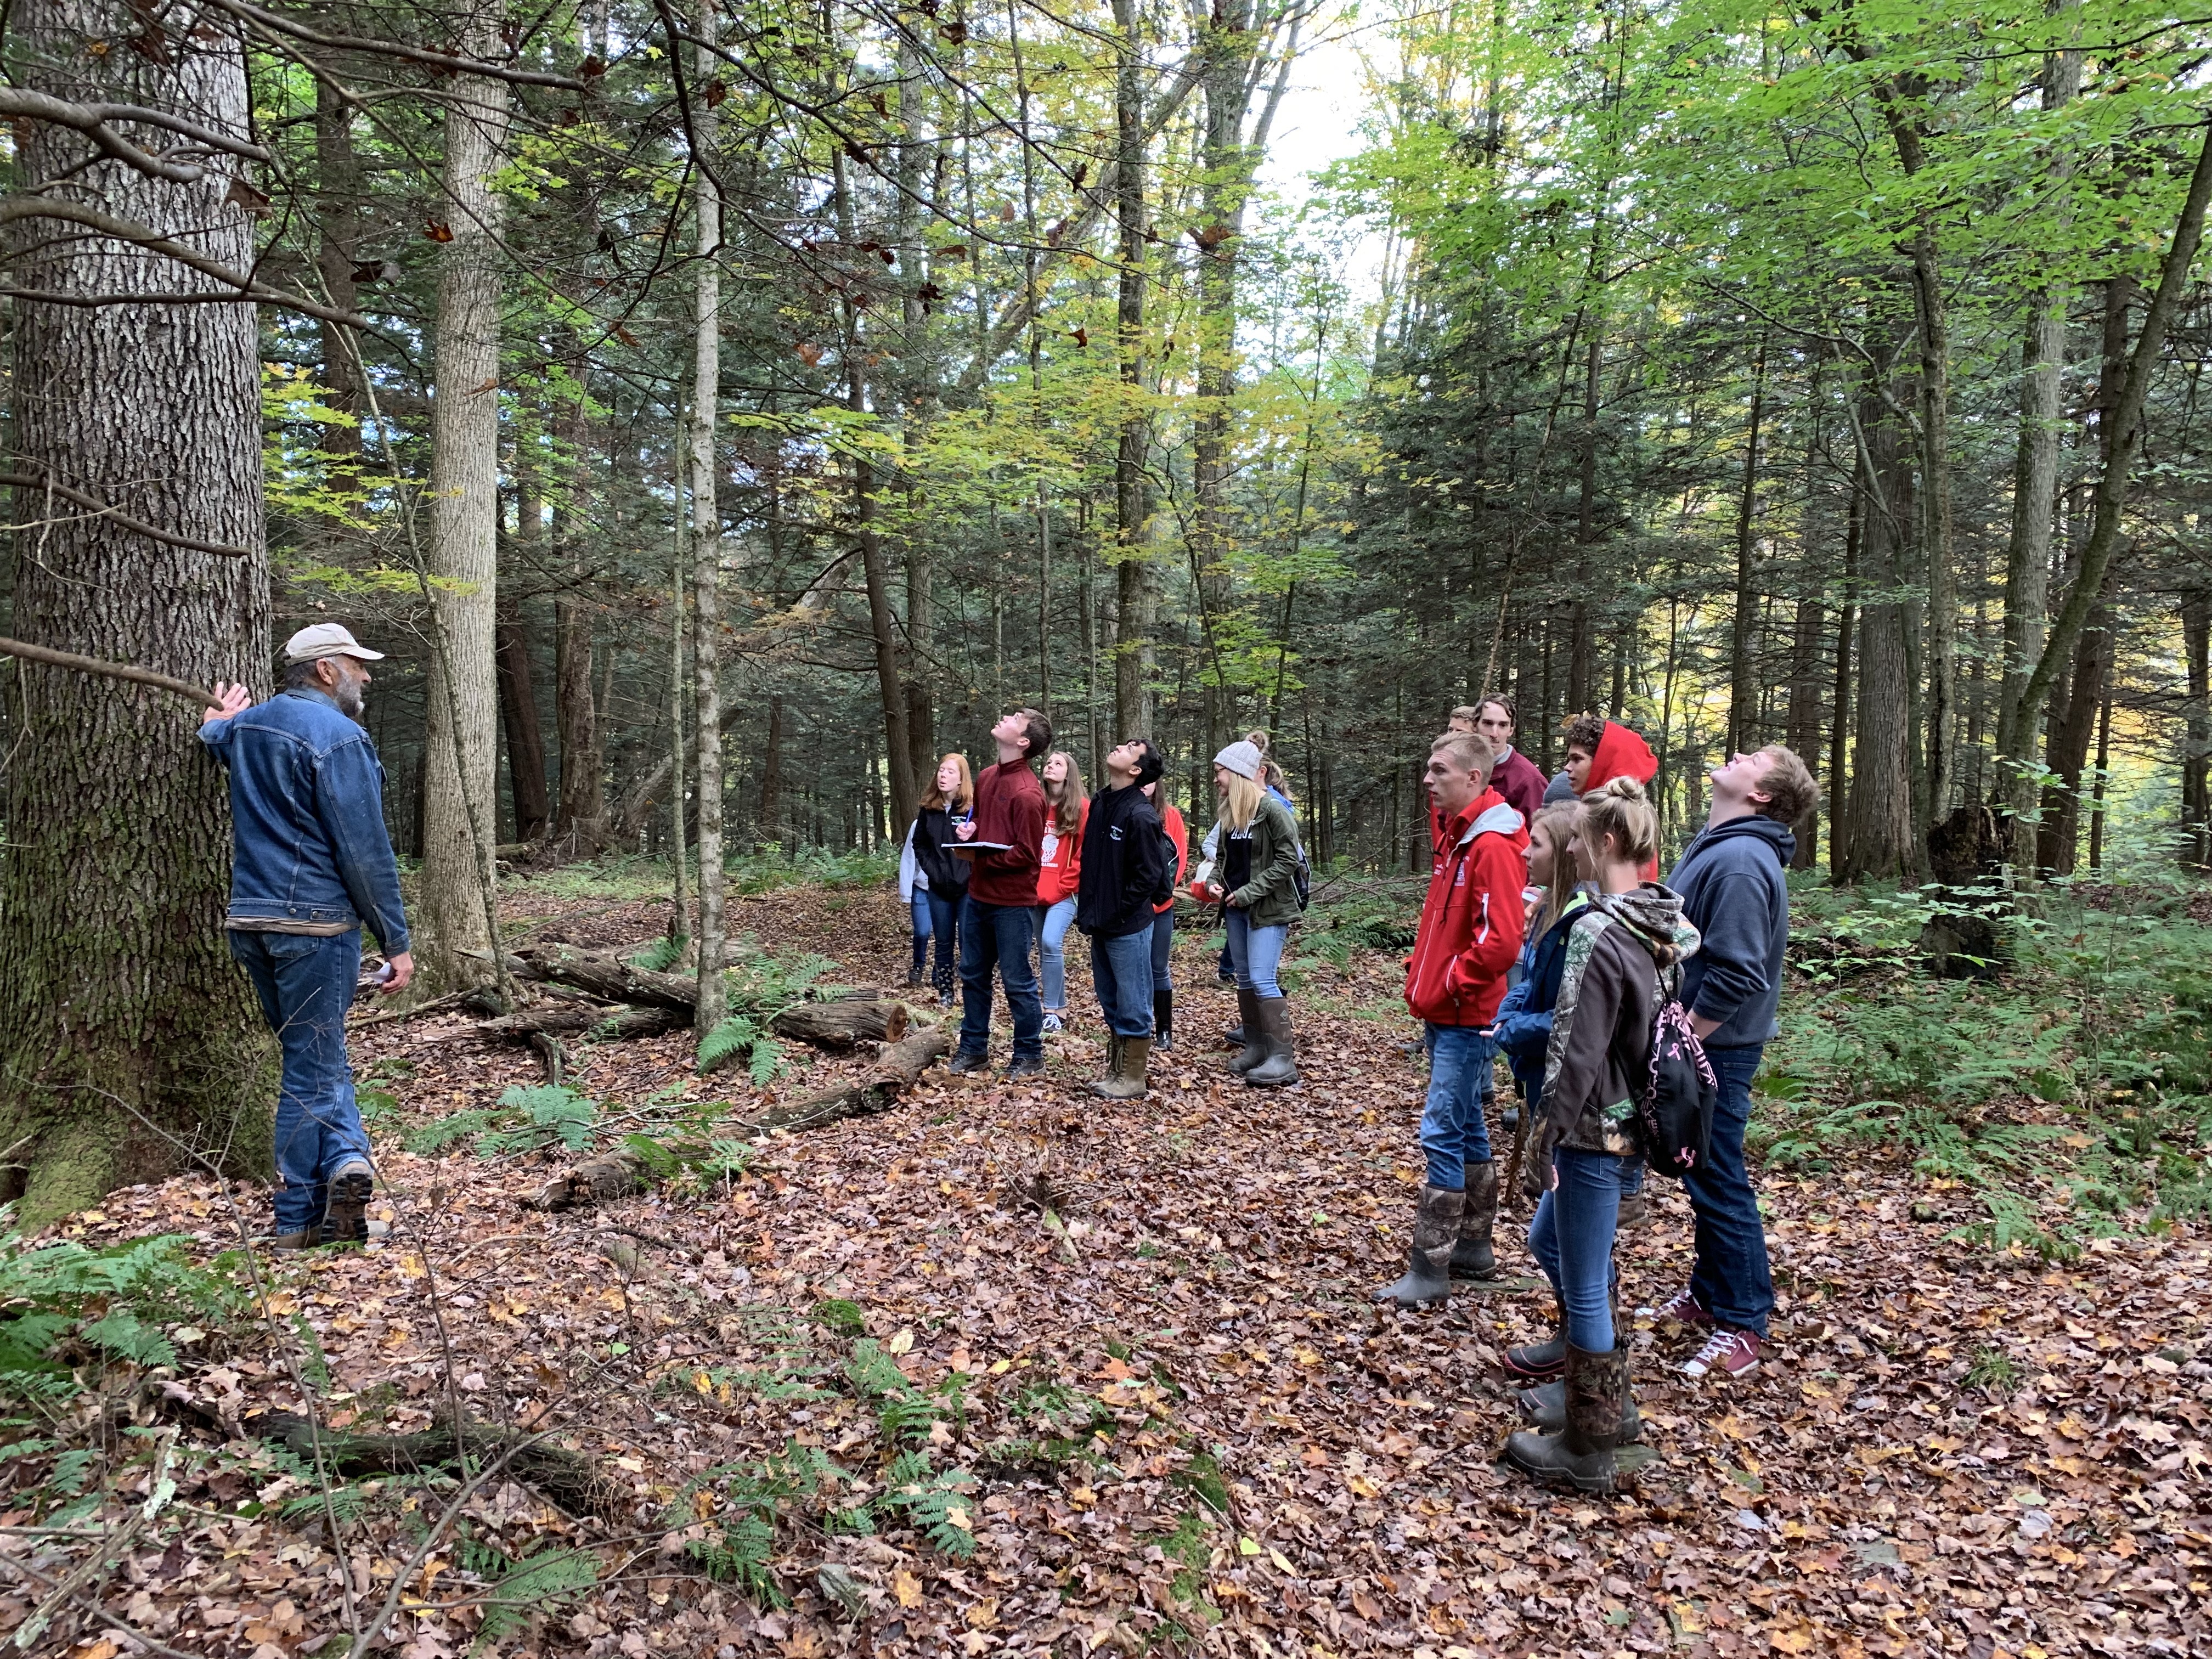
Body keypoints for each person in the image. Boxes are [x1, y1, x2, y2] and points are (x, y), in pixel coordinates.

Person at [1499, 777, 1699, 1494]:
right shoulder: (1658, 923)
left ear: (1607, 842)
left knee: (1583, 1279)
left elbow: (1577, 1045)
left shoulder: (1598, 929)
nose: (1574, 850)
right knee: (1550, 1244)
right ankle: (1606, 1403)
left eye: (1581, 839)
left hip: (1592, 1127)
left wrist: (1551, 1130)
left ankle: (1588, 1446)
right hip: (1629, 1123)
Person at [199, 624, 414, 1250]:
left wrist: (217, 718)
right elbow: (365, 852)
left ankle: (340, 1189)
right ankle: (299, 1216)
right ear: (325, 670)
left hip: (252, 923)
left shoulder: (249, 728)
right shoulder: (340, 738)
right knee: (309, 1069)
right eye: (357, 664)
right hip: (315, 927)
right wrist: (395, 940)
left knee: (314, 1058)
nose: (366, 675)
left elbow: (216, 737)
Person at [1640, 745, 1818, 1380]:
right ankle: (1710, 1293)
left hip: (1716, 1048)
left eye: (1756, 757)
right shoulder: (1721, 843)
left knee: (1717, 1177)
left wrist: (1683, 1038)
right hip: (1700, 1043)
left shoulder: (1742, 860)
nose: (1739, 752)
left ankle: (1744, 1319)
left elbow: (1739, 970)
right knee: (1701, 1173)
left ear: (1763, 793)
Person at [1377, 732, 1528, 1308]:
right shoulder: (1459, 836)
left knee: (1441, 1128)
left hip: (1467, 1015)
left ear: (1472, 777)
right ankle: (1473, 1246)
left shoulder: (1490, 844)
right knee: (1466, 1124)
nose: (1428, 779)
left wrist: (1449, 981)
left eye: (1439, 770)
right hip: (1447, 1009)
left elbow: (1501, 942)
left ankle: (1430, 1266)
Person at [950, 709, 1052, 1079]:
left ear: (1023, 742)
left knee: (1016, 979)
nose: (1005, 717)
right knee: (973, 974)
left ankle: (1029, 1055)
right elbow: (982, 820)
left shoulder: (1028, 794)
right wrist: (970, 831)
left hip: (1013, 903)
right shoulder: (987, 776)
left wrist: (983, 858)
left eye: (1015, 718)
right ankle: (973, 1048)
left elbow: (1027, 854)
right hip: (978, 896)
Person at [1078, 738, 1175, 1098]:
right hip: (1100, 923)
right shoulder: (1103, 803)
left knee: (1133, 999)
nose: (1120, 746)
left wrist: (1118, 909)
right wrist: (1091, 912)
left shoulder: (1140, 814)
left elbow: (1150, 877)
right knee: (1110, 998)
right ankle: (1115, 1072)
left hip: (1128, 926)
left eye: (1131, 747)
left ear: (1136, 770)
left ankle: (1133, 1078)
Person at [1210, 739, 1305, 1087]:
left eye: (1220, 772)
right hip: (1235, 910)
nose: (1217, 779)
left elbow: (1288, 860)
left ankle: (1283, 1059)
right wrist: (1217, 885)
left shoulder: (1274, 811)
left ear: (1238, 774)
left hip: (1267, 910)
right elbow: (1225, 860)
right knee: (1246, 979)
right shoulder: (1230, 814)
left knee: (1264, 979)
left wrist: (1249, 892)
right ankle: (1256, 1048)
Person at [906, 754, 973, 1007]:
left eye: (950, 772)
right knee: (943, 943)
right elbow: (920, 844)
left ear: (961, 780)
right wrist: (932, 871)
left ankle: (971, 994)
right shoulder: (929, 808)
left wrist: (970, 872)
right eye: (941, 771)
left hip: (968, 888)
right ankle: (946, 993)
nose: (943, 775)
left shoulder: (971, 808)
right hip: (938, 889)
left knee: (969, 942)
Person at [1032, 752, 1087, 1033]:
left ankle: (1050, 1009)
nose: (1050, 766)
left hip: (1066, 892)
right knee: (1043, 947)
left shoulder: (1082, 808)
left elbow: (1084, 853)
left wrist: (1065, 886)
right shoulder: (1035, 804)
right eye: (1048, 762)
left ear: (1069, 773)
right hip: (1033, 890)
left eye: (1058, 763)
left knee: (1052, 942)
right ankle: (1061, 1007)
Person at [1144, 776, 1188, 1051]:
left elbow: (1179, 861)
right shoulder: (1123, 811)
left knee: (1158, 967)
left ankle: (1164, 1031)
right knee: (1134, 969)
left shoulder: (1171, 816)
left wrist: (1160, 894)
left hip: (1161, 907)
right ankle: (1136, 1027)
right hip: (1130, 910)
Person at [1454, 697, 1547, 826]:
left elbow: (1537, 838)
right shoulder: (1460, 767)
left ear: (1511, 730)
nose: (1494, 734)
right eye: (1488, 723)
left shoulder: (1529, 781)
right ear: (1475, 725)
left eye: (1503, 725)